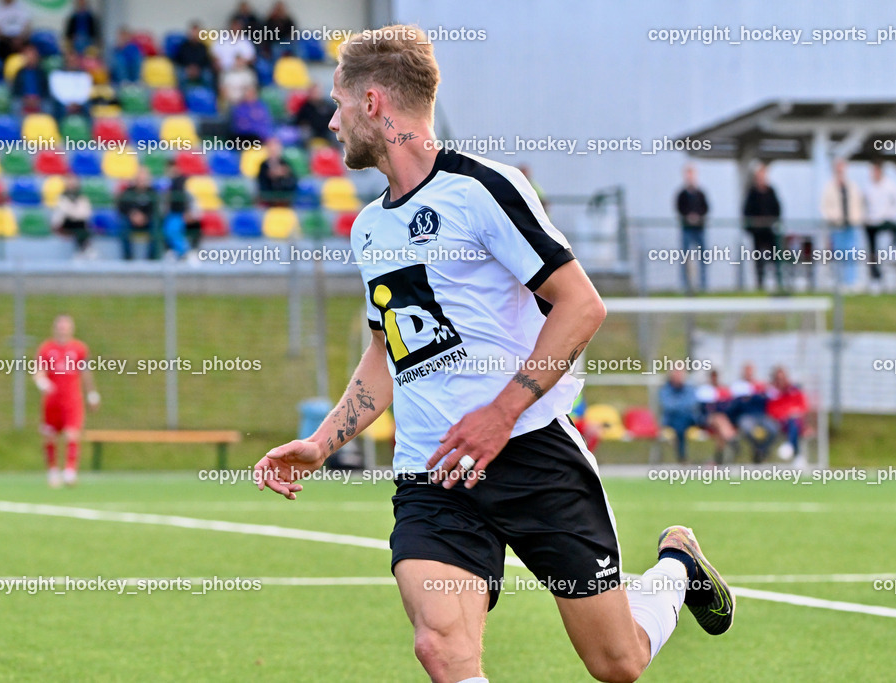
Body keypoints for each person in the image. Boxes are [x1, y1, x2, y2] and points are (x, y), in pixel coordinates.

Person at [254, 26, 734, 683]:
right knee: (440, 647)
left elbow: (581, 305)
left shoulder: (482, 190)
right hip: (433, 471)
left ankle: (676, 564)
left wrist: (501, 413)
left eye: (337, 103)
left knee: (617, 662)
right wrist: (323, 440)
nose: (331, 121)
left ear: (373, 103)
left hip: (532, 452)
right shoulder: (369, 227)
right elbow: (386, 352)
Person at [33, 315, 100, 488]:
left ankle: (70, 472)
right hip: (51, 401)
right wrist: (42, 383)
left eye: (66, 326)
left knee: (72, 434)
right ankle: (53, 471)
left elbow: (86, 374)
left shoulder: (79, 349)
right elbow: (38, 370)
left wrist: (92, 394)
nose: (63, 329)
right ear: (54, 328)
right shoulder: (46, 348)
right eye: (60, 326)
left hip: (72, 400)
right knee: (49, 437)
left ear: (71, 329)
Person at [820, 158, 864, 292]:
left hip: (851, 225)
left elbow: (859, 203)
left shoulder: (852, 186)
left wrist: (857, 217)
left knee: (851, 253)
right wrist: (832, 217)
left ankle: (851, 282)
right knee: (839, 254)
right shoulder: (829, 187)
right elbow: (824, 207)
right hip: (837, 226)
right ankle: (839, 281)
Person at [863, 161, 896, 294]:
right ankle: (876, 277)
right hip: (872, 222)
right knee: (872, 250)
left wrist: (890, 215)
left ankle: (893, 250)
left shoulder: (890, 186)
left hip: (886, 220)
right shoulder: (868, 187)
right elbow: (864, 205)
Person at [742, 163, 783, 292]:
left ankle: (778, 284)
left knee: (775, 258)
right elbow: (747, 212)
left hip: (770, 232)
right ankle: (760, 285)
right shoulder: (752, 193)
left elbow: (778, 209)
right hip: (757, 233)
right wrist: (754, 225)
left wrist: (772, 222)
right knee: (759, 260)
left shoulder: (771, 191)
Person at [728, 363, 777, 464]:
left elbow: (774, 395)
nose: (748, 374)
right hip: (746, 416)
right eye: (747, 372)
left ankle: (761, 450)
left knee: (773, 429)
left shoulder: (761, 386)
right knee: (748, 429)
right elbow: (734, 405)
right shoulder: (738, 386)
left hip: (762, 416)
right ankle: (757, 450)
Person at [675, 164, 709, 293]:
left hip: (699, 229)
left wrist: (697, 216)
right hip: (687, 229)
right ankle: (684, 286)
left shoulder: (701, 193)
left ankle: (704, 286)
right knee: (685, 257)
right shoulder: (682, 194)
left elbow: (705, 208)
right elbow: (679, 208)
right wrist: (688, 217)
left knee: (703, 258)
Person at [766, 366, 808, 464]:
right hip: (777, 423)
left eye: (782, 378)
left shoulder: (794, 390)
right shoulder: (772, 393)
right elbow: (771, 410)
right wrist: (785, 414)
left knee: (794, 422)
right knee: (792, 422)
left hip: (796, 421)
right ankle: (797, 455)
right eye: (778, 379)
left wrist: (794, 412)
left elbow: (803, 406)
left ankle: (789, 445)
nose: (781, 381)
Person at [658, 368, 701, 463]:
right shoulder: (665, 390)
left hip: (690, 419)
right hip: (672, 420)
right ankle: (683, 457)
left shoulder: (689, 389)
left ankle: (710, 459)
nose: (679, 376)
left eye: (681, 373)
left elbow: (692, 403)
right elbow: (668, 406)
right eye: (677, 373)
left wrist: (679, 406)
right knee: (679, 423)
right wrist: (682, 406)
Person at [116, 167, 160, 259]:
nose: (141, 181)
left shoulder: (153, 192)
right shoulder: (128, 192)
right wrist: (132, 215)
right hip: (131, 221)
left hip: (147, 221)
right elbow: (121, 207)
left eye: (143, 179)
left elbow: (156, 209)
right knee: (123, 225)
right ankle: (128, 258)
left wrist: (145, 217)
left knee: (156, 227)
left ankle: (152, 258)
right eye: (139, 179)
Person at [696, 368, 737, 465]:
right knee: (719, 419)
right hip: (706, 420)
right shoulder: (704, 391)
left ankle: (718, 458)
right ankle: (731, 438)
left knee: (720, 429)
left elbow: (728, 408)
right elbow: (703, 410)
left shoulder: (723, 391)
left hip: (721, 423)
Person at [51, 175, 94, 257]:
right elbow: (63, 213)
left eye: (73, 183)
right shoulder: (62, 197)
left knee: (81, 225)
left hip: (79, 223)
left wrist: (74, 213)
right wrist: (75, 213)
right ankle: (83, 250)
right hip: (64, 224)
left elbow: (86, 213)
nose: (72, 185)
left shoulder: (82, 197)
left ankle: (82, 251)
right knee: (79, 224)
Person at [48, 52, 93, 120]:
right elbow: (57, 93)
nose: (72, 63)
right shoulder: (56, 75)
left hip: (80, 104)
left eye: (74, 61)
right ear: (65, 61)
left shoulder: (84, 75)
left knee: (88, 106)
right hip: (63, 104)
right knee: (57, 106)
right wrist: (68, 104)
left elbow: (85, 92)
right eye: (69, 61)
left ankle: (89, 129)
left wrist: (77, 103)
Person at [162, 165, 194, 261]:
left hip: (179, 213)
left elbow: (189, 198)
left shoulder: (183, 182)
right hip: (172, 214)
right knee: (169, 231)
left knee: (173, 231)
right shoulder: (169, 183)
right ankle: (178, 252)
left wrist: (188, 211)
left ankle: (186, 251)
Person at [11, 45, 52, 115]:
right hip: (23, 101)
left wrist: (37, 100)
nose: (30, 57)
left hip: (39, 101)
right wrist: (25, 99)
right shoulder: (20, 73)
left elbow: (46, 91)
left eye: (32, 55)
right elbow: (15, 90)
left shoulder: (42, 73)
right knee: (15, 104)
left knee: (48, 105)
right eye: (27, 55)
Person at [256, 137, 297, 206]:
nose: (274, 151)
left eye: (276, 149)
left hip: (285, 201)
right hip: (269, 202)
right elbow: (261, 185)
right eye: (271, 149)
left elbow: (293, 183)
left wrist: (285, 175)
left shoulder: (285, 164)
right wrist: (270, 176)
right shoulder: (263, 165)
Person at [174, 22, 214, 91]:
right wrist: (188, 69)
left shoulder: (203, 47)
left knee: (208, 76)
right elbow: (178, 60)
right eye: (193, 32)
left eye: (196, 32)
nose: (194, 34)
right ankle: (182, 96)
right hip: (186, 69)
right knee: (180, 74)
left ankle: (208, 96)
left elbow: (206, 61)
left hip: (200, 70)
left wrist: (198, 69)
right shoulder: (183, 46)